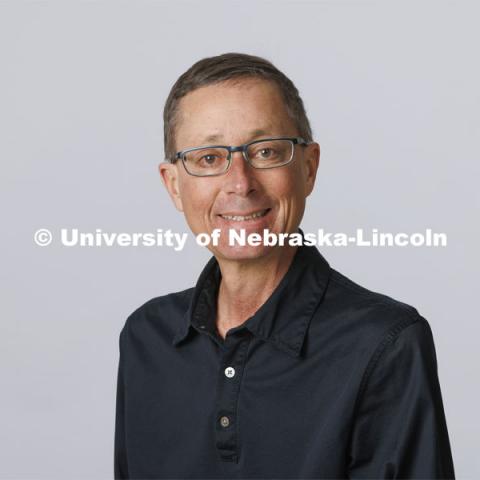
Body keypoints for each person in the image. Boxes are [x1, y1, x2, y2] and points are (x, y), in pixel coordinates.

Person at [114, 52, 455, 479]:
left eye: (266, 151)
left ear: (308, 168)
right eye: (208, 159)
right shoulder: (146, 338)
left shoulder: (385, 343)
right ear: (173, 185)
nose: (240, 183)